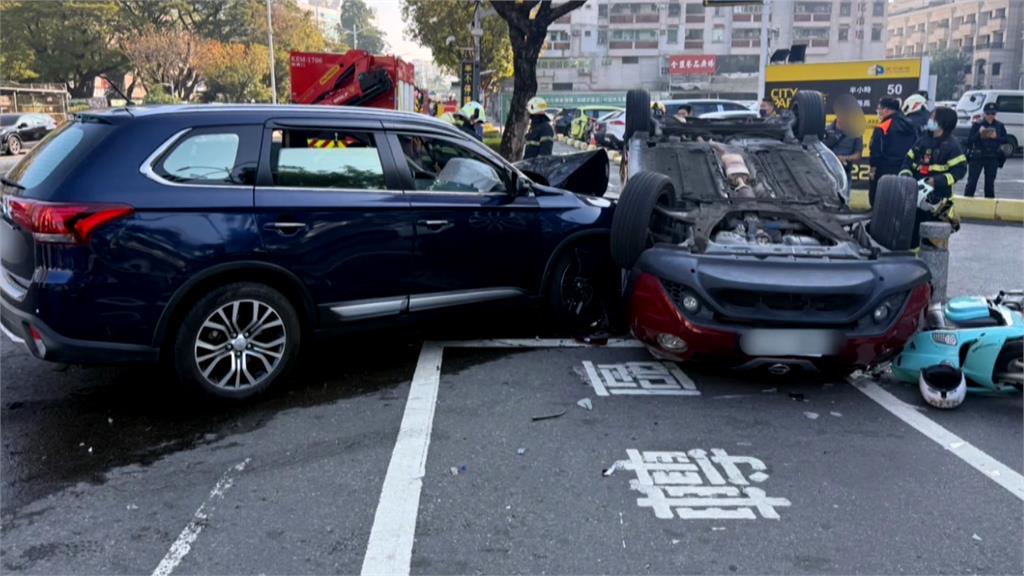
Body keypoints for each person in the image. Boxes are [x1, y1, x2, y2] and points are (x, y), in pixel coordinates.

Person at [899, 106, 967, 248]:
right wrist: (906, 174)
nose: (930, 120)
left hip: (939, 200)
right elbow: (908, 160)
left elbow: (960, 171)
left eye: (933, 117)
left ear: (942, 122)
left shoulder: (952, 146)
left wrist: (937, 181)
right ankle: (913, 264)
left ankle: (932, 267)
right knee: (912, 235)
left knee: (934, 241)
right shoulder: (923, 140)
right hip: (916, 196)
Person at [868, 96, 917, 206]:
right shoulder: (910, 125)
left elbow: (876, 151)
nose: (878, 111)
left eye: (879, 108)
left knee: (879, 202)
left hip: (885, 171)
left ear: (886, 110)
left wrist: (873, 170)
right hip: (905, 169)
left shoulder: (883, 126)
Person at [964, 102, 1009, 199]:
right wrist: (979, 134)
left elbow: (1006, 140)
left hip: (992, 157)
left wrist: (996, 137)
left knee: (989, 184)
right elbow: (969, 141)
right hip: (978, 156)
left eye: (993, 113)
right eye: (988, 113)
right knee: (972, 182)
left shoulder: (999, 126)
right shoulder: (977, 125)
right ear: (984, 113)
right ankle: (966, 204)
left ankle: (989, 207)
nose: (990, 116)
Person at [824, 95, 864, 184]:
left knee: (844, 196)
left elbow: (858, 155)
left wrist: (843, 158)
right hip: (827, 171)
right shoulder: (826, 130)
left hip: (845, 171)